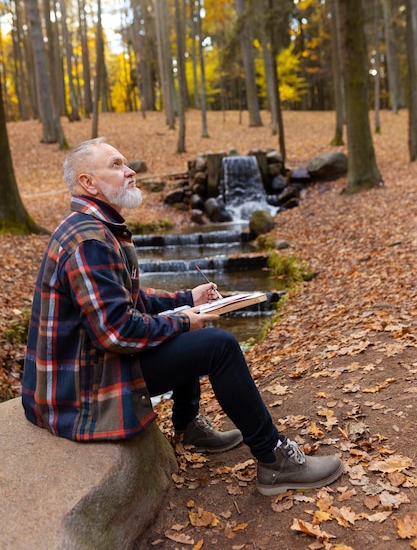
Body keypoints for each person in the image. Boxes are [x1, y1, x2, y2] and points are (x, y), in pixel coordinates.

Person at [21, 137, 344, 496]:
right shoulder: (89, 241)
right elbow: (115, 332)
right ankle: (275, 461)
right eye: (115, 165)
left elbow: (127, 299)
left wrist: (186, 299)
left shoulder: (95, 228)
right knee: (218, 345)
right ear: (88, 183)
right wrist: (185, 319)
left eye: (125, 163)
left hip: (88, 369)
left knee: (186, 326)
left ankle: (189, 425)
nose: (130, 172)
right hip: (81, 390)